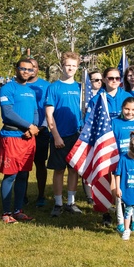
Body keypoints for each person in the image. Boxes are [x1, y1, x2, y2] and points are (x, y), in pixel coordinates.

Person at [0, 58, 41, 224]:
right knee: (10, 175)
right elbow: (8, 113)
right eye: (23, 68)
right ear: (16, 69)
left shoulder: (30, 91)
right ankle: (6, 212)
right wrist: (29, 126)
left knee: (24, 174)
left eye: (29, 69)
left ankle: (17, 210)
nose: (26, 72)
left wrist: (34, 127)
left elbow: (36, 111)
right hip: (12, 137)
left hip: (28, 138)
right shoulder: (7, 89)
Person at [44, 51, 84, 217]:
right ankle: (58, 203)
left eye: (74, 66)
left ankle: (71, 202)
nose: (70, 68)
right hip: (60, 135)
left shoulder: (81, 87)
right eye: (68, 65)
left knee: (74, 170)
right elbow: (49, 114)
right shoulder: (54, 87)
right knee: (59, 170)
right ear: (62, 65)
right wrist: (56, 135)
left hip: (77, 135)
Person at [25, 57, 50, 208]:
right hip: (23, 131)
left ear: (37, 69)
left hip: (41, 130)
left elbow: (50, 108)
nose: (31, 69)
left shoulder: (47, 86)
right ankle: (23, 195)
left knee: (40, 164)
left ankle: (41, 195)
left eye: (33, 67)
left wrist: (40, 127)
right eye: (28, 67)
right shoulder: (18, 86)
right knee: (23, 165)